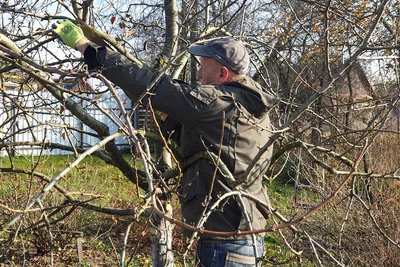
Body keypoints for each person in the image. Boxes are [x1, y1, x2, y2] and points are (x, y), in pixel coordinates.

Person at [52, 19, 277, 266]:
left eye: (203, 67)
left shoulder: (216, 102)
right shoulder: (252, 108)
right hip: (245, 234)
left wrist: (86, 47)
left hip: (225, 242)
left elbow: (152, 85)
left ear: (223, 74)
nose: (199, 74)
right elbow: (215, 143)